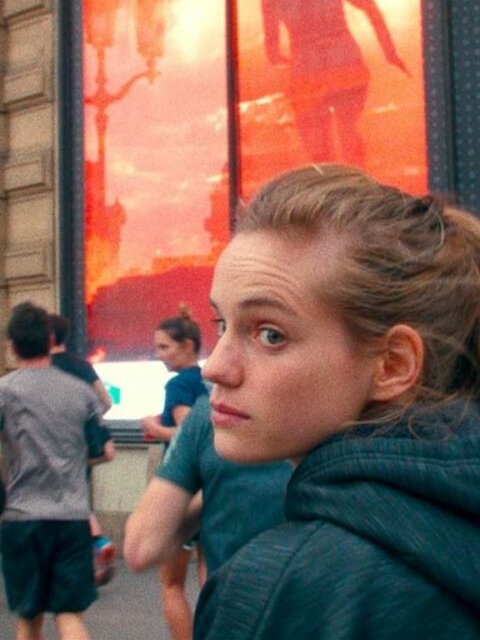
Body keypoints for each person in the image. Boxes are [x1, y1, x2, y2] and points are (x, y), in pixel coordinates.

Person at [193, 165, 480, 639]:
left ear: (392, 364)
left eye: (270, 334)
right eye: (221, 324)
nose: (215, 367)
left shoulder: (278, 588)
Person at [0, 302, 112, 640]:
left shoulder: (5, 392)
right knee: (69, 614)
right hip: (72, 517)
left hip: (22, 517)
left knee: (28, 618)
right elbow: (104, 451)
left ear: (11, 345)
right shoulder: (81, 392)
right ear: (50, 340)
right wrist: (69, 459)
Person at [124, 393, 292, 575]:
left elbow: (142, 548)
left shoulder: (209, 414)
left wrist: (211, 489)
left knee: (173, 583)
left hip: (232, 586)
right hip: (308, 586)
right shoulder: (316, 419)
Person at [262, 0, 409, 164]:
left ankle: (331, 177)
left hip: (307, 70)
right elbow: (369, 6)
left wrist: (288, 64)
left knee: (320, 149)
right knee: (349, 130)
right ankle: (356, 175)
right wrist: (390, 52)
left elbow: (273, 53)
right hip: (345, 62)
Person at [140, 306, 208, 640]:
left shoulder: (178, 384)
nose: (159, 355)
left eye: (164, 347)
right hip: (213, 486)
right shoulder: (208, 382)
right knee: (210, 578)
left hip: (184, 491)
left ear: (187, 346)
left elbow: (187, 433)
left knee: (171, 584)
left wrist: (153, 426)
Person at [49, 313, 116, 587]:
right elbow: (106, 401)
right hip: (83, 445)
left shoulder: (42, 368)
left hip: (53, 444)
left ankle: (87, 549)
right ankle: (96, 545)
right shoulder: (82, 366)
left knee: (57, 503)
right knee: (76, 497)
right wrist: (88, 422)